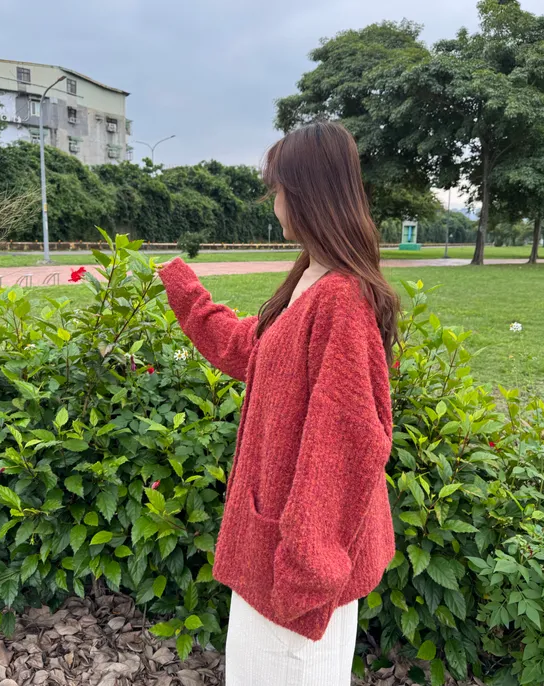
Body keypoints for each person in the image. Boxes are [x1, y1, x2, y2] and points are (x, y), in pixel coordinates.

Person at [158, 121, 397, 686]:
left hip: (297, 581)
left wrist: (304, 573)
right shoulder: (311, 276)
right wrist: (185, 291)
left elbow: (346, 444)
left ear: (307, 194)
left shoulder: (340, 300)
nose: (275, 202)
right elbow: (254, 349)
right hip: (280, 561)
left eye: (279, 189)